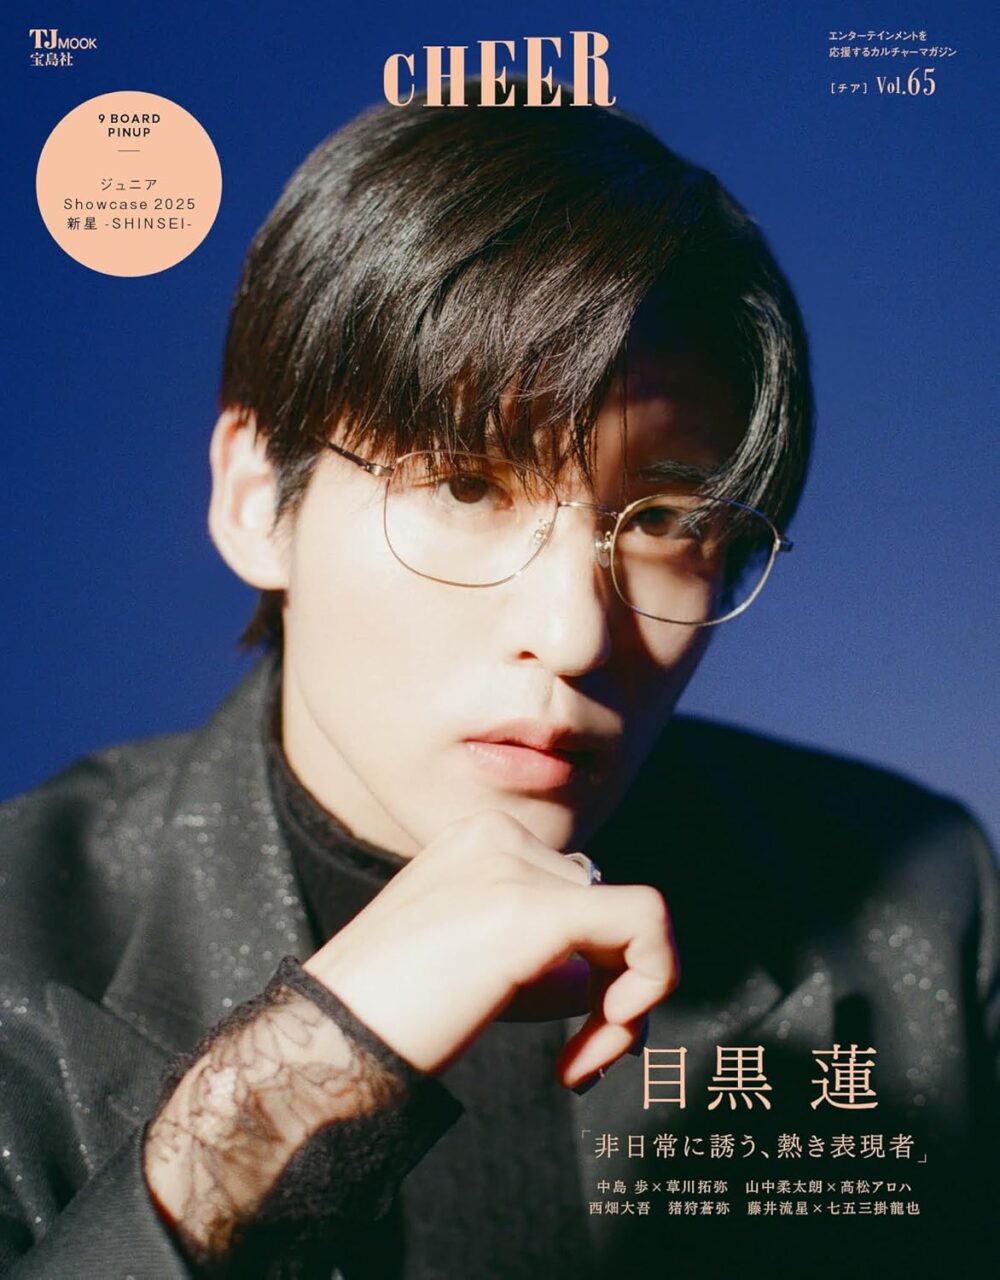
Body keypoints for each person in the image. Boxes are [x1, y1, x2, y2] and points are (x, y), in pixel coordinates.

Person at [1, 93, 995, 1279]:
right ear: (259, 499)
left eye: (663, 520)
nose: (572, 633)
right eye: (468, 486)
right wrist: (298, 1072)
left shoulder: (920, 898)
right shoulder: (19, 932)